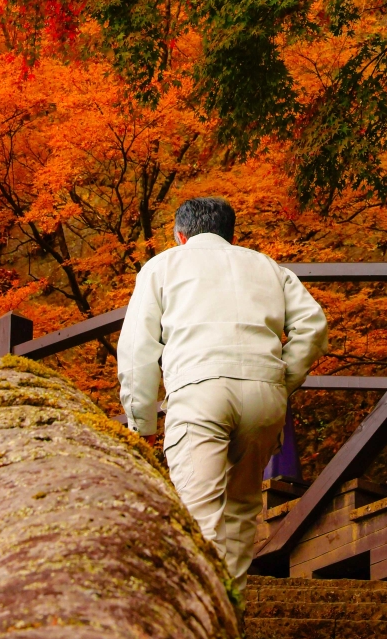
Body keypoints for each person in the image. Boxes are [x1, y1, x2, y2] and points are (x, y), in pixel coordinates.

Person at [116, 195, 328, 590]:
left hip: (199, 391)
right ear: (230, 234)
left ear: (180, 235)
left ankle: (207, 627)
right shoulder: (267, 266)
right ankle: (231, 616)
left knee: (199, 516)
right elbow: (313, 325)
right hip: (264, 396)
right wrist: (281, 380)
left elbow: (137, 349)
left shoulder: (163, 265)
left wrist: (142, 422)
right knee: (241, 511)